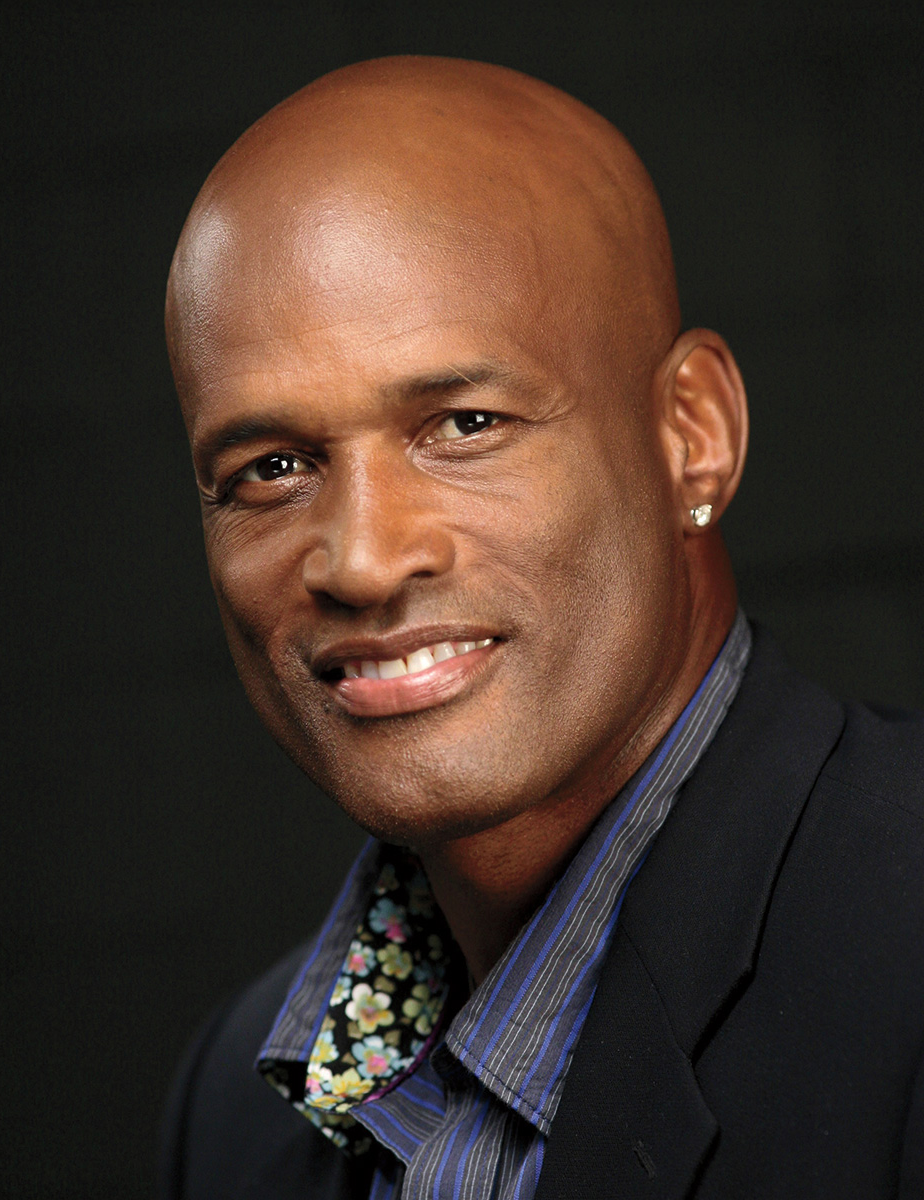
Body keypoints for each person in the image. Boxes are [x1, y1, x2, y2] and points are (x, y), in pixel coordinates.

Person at [158, 56, 924, 1199]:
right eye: (273, 467)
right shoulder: (230, 1112)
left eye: (464, 424)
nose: (363, 559)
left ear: (691, 435)